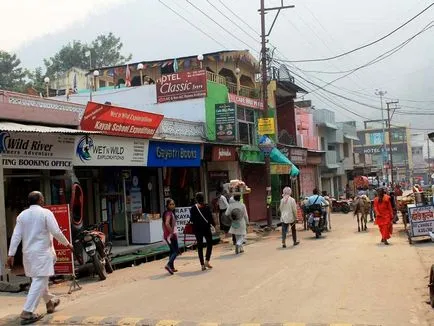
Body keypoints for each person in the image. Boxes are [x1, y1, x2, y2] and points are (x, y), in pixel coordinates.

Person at [7, 191, 74, 324]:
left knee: (39, 280)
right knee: (39, 280)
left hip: (28, 255)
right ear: (40, 200)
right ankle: (27, 311)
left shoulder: (22, 215)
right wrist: (68, 244)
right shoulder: (46, 213)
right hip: (42, 254)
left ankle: (50, 302)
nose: (43, 200)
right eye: (43, 198)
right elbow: (56, 231)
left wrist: (11, 254)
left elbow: (16, 236)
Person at [190, 192, 215, 271]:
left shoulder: (193, 208)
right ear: (203, 198)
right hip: (206, 228)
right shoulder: (207, 206)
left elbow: (191, 220)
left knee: (200, 246)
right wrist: (214, 225)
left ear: (196, 199)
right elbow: (210, 218)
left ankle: (202, 265)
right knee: (209, 244)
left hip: (197, 229)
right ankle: (207, 261)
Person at [162, 198, 179, 275]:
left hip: (167, 235)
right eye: (170, 204)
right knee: (176, 251)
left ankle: (171, 267)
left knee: (172, 251)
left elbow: (164, 225)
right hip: (171, 235)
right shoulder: (169, 213)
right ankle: (168, 265)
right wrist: (171, 233)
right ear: (167, 205)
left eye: (173, 204)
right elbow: (167, 223)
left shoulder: (166, 213)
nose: (172, 206)